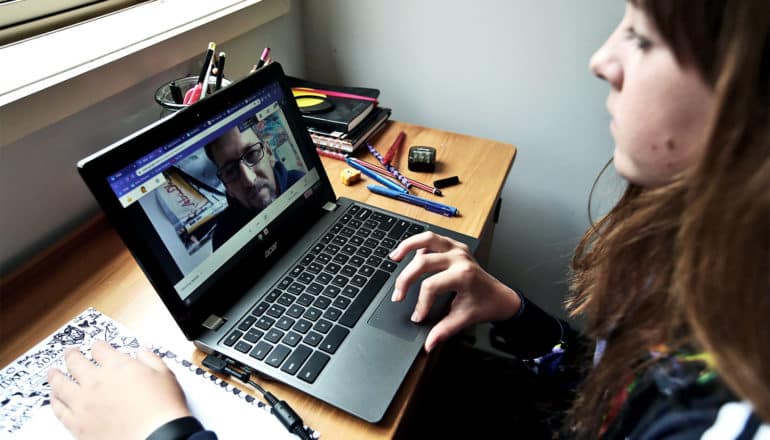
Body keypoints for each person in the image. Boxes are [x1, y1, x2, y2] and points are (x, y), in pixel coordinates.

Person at [47, 1, 769, 438]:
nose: (600, 59)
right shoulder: (716, 291)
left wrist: (160, 432)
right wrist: (522, 320)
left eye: (641, 37)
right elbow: (623, 385)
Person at [204, 125, 305, 250]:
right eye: (230, 171)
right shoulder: (224, 238)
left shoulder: (301, 183)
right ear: (226, 186)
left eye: (252, 154)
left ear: (269, 153)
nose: (249, 180)